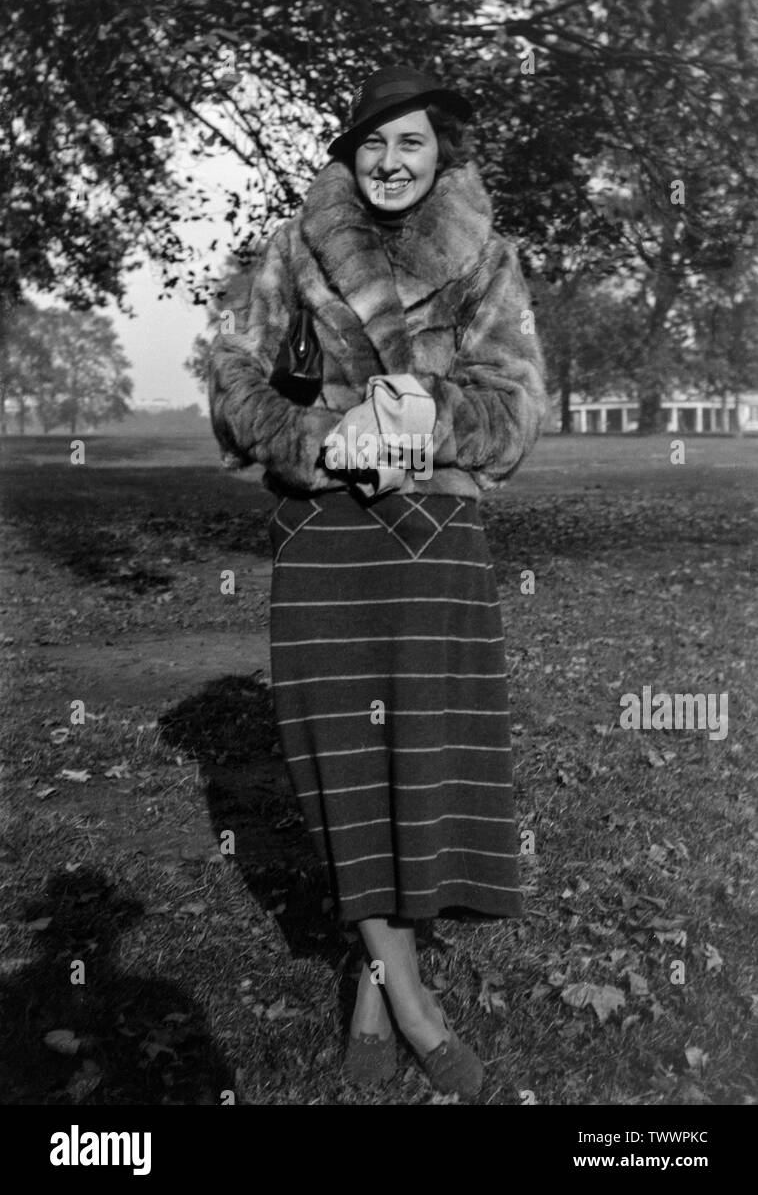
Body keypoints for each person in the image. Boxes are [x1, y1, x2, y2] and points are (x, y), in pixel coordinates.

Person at [208, 64, 548, 1098]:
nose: (389, 163)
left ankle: (372, 985)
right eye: (370, 145)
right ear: (347, 156)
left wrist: (424, 418)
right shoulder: (290, 250)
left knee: (420, 756)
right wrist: (326, 436)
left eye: (408, 144)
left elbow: (518, 401)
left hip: (434, 533)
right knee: (341, 759)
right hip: (325, 533)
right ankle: (408, 998)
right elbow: (231, 383)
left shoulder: (487, 259)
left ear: (439, 151)